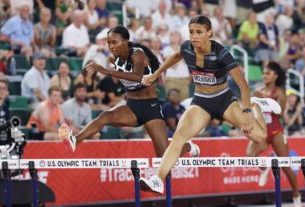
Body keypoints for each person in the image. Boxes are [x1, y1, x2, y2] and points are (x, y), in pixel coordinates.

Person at [139, 15, 281, 194]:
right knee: (178, 136)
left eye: (199, 32)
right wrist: (155, 74)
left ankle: (257, 106)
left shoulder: (221, 52)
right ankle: (158, 179)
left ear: (209, 33)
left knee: (260, 137)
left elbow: (242, 84)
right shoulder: (187, 48)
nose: (194, 36)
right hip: (201, 101)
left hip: (223, 100)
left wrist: (246, 111)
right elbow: (176, 56)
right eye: (191, 32)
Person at [58, 25, 200, 160]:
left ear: (125, 41)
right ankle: (74, 140)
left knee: (163, 156)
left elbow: (138, 77)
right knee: (106, 116)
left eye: (114, 42)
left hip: (150, 109)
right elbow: (127, 80)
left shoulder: (138, 54)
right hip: (131, 107)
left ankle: (187, 146)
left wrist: (106, 71)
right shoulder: (116, 59)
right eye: (109, 43)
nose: (111, 46)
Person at [247, 62, 301, 207]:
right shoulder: (257, 91)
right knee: (250, 154)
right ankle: (264, 168)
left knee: (285, 166)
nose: (264, 76)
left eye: (268, 73)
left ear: (275, 76)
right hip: (263, 131)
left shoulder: (279, 93)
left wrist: (264, 100)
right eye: (263, 73)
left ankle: (296, 195)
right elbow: (253, 110)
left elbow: (280, 113)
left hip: (276, 131)